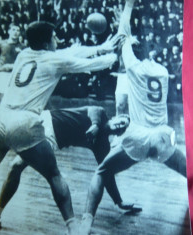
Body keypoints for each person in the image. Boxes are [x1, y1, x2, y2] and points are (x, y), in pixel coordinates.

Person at [0, 21, 121, 235]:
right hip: (23, 123)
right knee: (54, 175)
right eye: (54, 37)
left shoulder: (23, 54)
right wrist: (113, 55)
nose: (57, 41)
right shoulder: (56, 59)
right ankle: (73, 227)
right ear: (47, 41)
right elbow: (92, 64)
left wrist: (100, 47)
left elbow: (71, 51)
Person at [80, 1, 186, 234]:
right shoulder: (163, 73)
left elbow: (123, 35)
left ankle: (86, 221)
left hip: (137, 137)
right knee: (189, 173)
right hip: (162, 136)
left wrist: (127, 8)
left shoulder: (133, 69)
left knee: (102, 172)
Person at [0, 106, 137, 232]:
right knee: (15, 164)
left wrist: (119, 201)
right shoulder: (101, 114)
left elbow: (106, 175)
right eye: (123, 122)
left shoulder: (102, 146)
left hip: (50, 137)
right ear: (118, 116)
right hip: (45, 119)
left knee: (16, 166)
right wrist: (96, 125)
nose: (121, 126)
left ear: (119, 135)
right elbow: (94, 110)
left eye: (122, 129)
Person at [0, 24, 25, 104]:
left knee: (15, 104)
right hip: (2, 75)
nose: (16, 32)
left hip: (16, 76)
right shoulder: (0, 44)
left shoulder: (23, 47)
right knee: (1, 103)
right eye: (13, 30)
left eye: (18, 30)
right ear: (9, 31)